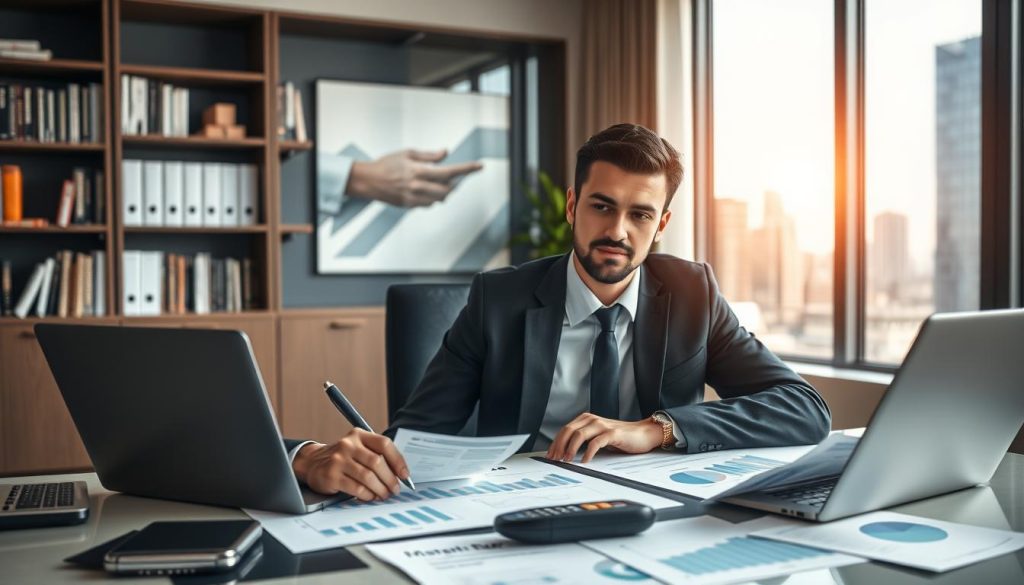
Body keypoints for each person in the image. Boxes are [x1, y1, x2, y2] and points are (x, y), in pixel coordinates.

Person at [289, 123, 832, 501]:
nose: (618, 231)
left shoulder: (693, 294)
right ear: (573, 205)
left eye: (640, 214)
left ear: (660, 225)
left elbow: (804, 409)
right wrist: (318, 458)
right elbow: (411, 441)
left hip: (654, 516)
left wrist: (656, 429)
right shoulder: (497, 301)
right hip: (517, 512)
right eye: (602, 206)